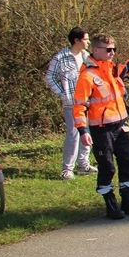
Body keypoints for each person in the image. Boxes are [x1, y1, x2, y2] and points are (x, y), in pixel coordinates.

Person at [73, 34, 129, 219]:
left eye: (114, 49)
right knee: (107, 167)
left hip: (120, 125)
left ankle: (128, 200)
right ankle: (110, 204)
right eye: (108, 50)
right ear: (96, 50)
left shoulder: (113, 69)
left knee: (128, 162)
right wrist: (83, 131)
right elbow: (79, 106)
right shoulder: (87, 76)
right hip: (101, 129)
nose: (112, 53)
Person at [44, 27, 98, 180]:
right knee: (73, 134)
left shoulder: (87, 57)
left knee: (86, 132)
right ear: (76, 40)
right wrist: (63, 94)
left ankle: (84, 164)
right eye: (86, 39)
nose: (88, 42)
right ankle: (67, 169)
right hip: (71, 104)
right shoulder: (60, 57)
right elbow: (50, 77)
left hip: (88, 102)